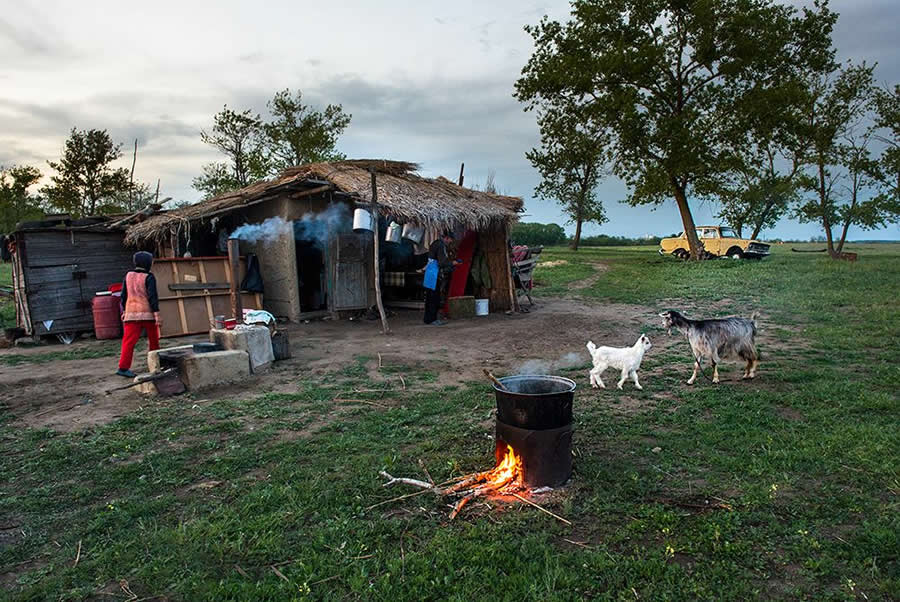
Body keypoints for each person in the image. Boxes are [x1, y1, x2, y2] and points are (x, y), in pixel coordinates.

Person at [116, 251, 161, 377]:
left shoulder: (128, 276)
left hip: (131, 314)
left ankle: (123, 368)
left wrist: (124, 311)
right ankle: (156, 365)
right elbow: (153, 297)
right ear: (147, 263)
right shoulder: (149, 277)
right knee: (153, 340)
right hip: (147, 314)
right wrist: (157, 314)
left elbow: (123, 295)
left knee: (128, 342)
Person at [424, 231, 460, 325]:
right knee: (434, 297)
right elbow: (442, 262)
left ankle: (427, 318)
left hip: (429, 271)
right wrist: (453, 263)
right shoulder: (441, 245)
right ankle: (432, 319)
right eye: (450, 240)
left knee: (429, 296)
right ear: (447, 238)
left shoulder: (435, 243)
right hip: (434, 273)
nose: (450, 242)